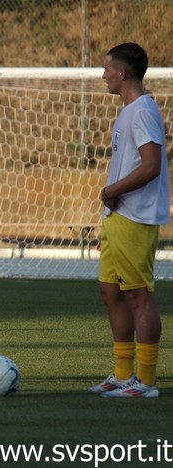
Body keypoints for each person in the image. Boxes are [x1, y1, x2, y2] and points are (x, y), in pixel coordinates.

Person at [88, 43, 169, 398]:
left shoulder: (142, 111)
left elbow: (151, 167)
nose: (103, 75)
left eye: (107, 69)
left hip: (135, 215)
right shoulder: (129, 111)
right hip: (118, 215)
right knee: (111, 291)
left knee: (138, 295)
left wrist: (111, 190)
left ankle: (146, 381)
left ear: (122, 73)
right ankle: (123, 374)